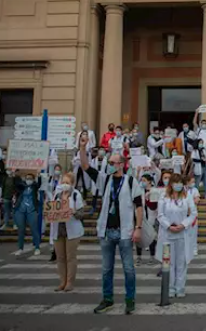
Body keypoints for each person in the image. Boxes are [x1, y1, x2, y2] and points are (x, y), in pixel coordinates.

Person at [81, 134, 143, 315]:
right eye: (109, 161)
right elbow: (85, 167)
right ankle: (107, 299)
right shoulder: (105, 179)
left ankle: (130, 300)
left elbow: (139, 206)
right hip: (107, 232)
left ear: (121, 164)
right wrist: (82, 148)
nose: (110, 164)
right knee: (106, 269)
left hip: (125, 232)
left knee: (129, 269)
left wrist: (138, 228)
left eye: (113, 162)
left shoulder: (131, 181)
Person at [156, 173, 197, 297]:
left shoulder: (187, 196)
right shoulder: (163, 196)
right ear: (171, 184)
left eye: (180, 183)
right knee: (169, 263)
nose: (178, 185)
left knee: (181, 262)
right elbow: (160, 214)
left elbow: (193, 213)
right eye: (175, 182)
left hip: (182, 233)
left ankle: (180, 288)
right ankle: (170, 288)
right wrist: (169, 225)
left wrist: (183, 225)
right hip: (168, 233)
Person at [50, 172, 84, 292]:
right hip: (58, 229)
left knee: (70, 257)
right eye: (63, 182)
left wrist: (73, 211)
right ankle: (62, 281)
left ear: (72, 184)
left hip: (72, 230)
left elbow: (81, 214)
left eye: (67, 183)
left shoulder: (76, 195)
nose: (64, 185)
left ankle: (70, 282)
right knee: (60, 257)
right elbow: (50, 209)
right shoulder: (56, 195)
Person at [13, 172, 42, 256]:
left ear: (33, 180)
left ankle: (37, 247)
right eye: (27, 178)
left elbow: (39, 184)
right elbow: (16, 184)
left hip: (31, 210)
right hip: (21, 210)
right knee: (21, 229)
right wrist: (14, 175)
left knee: (34, 229)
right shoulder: (22, 187)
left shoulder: (34, 187)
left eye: (30, 178)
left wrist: (39, 176)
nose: (28, 180)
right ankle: (20, 248)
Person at [185, 175, 200, 256]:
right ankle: (186, 248)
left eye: (194, 181)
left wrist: (189, 202)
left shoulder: (195, 190)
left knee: (193, 233)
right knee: (185, 233)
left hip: (193, 215)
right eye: (192, 181)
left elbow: (197, 200)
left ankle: (194, 248)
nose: (193, 183)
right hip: (184, 215)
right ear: (187, 182)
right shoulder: (183, 190)